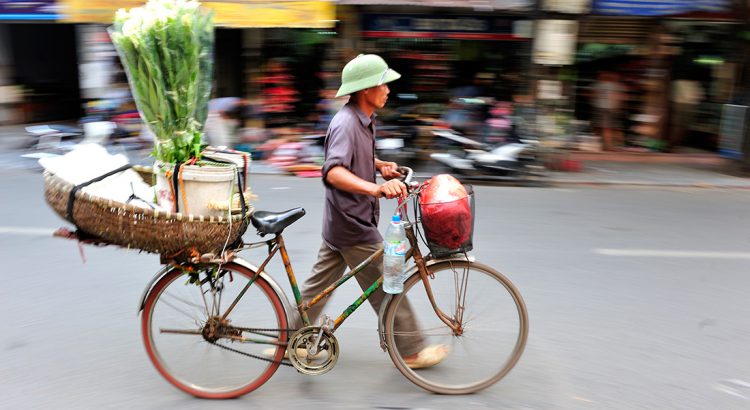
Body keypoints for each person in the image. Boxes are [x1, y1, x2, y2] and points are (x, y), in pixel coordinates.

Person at [270, 54, 449, 369]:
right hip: (352, 224)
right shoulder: (347, 123)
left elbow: (357, 156)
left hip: (343, 221)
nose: (388, 90)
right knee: (386, 283)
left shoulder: (363, 118)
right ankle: (411, 350)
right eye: (383, 83)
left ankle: (286, 342)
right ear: (366, 88)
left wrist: (379, 166)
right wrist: (376, 188)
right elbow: (333, 172)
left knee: (317, 288)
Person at [592, 71, 627, 151]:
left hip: (602, 108)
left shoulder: (599, 85)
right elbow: (621, 97)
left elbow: (593, 95)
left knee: (605, 128)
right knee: (609, 128)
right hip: (611, 108)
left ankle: (606, 145)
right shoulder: (616, 85)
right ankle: (611, 145)